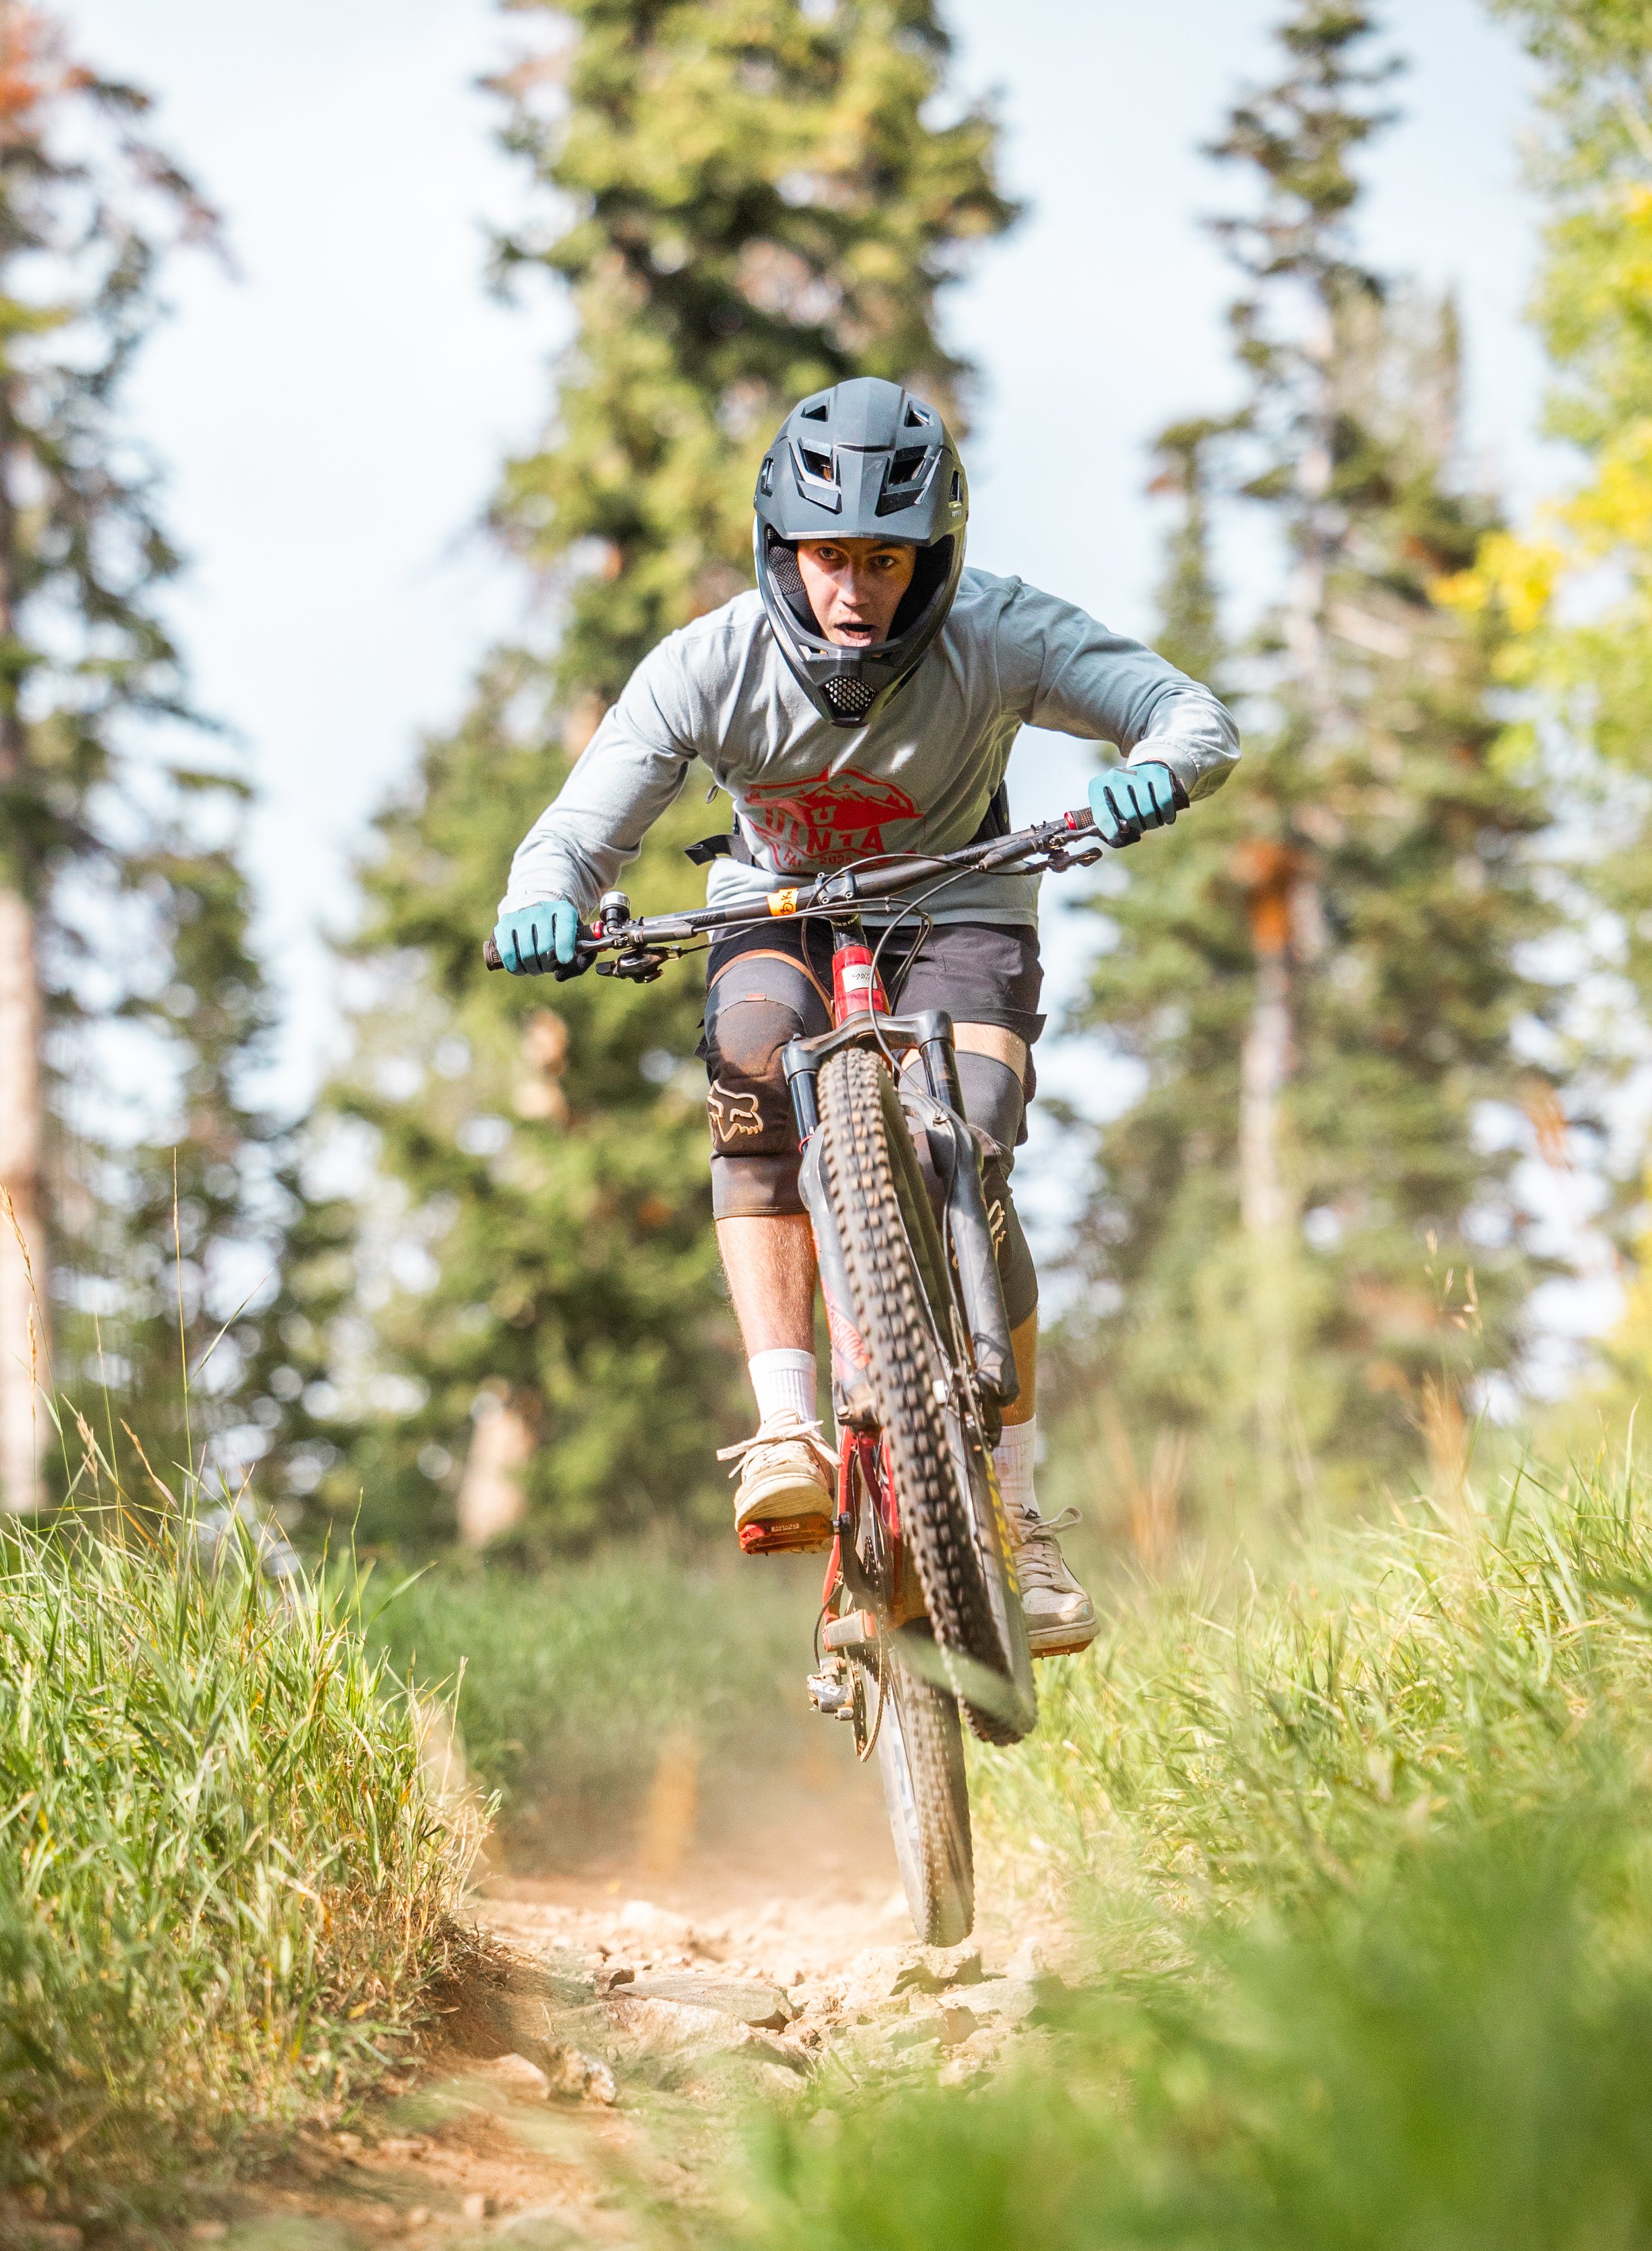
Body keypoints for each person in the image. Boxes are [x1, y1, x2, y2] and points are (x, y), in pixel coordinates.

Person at [492, 377, 1238, 1656]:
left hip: (962, 903)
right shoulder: (709, 665)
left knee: (974, 1130)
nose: (853, 591)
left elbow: (1192, 716)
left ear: (931, 558)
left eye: (884, 561)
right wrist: (547, 898)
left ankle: (1015, 1513)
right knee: (747, 1067)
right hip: (773, 902)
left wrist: (1149, 777)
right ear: (784, 548)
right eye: (830, 556)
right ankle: (787, 1424)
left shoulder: (998, 635)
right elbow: (575, 833)